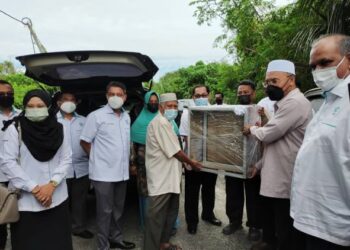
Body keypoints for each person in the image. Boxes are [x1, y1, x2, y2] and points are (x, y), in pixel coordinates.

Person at [243, 60, 312, 250]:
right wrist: (258, 166)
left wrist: (251, 129)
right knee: (273, 218)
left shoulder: (295, 103)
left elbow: (268, 134)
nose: (269, 86)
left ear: (291, 80)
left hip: (285, 176)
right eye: (267, 82)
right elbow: (277, 145)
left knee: (284, 225)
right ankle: (270, 243)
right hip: (275, 172)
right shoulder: (284, 103)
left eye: (274, 80)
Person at [291, 34, 350, 250]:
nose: (318, 71)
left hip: (336, 230)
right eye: (313, 66)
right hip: (310, 219)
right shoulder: (328, 99)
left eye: (325, 63)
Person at [0, 89, 73, 250]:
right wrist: (35, 189)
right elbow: (8, 163)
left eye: (40, 105)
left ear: (48, 106)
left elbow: (66, 158)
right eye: (30, 106)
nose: (35, 109)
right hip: (27, 203)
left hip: (57, 198)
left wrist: (52, 184)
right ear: (24, 107)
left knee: (57, 243)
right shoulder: (14, 129)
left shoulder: (60, 128)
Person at [143, 93, 202, 250]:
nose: (173, 109)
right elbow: (176, 151)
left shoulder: (168, 123)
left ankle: (163, 244)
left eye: (175, 106)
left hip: (171, 178)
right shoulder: (160, 122)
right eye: (169, 106)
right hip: (161, 179)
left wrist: (184, 165)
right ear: (161, 107)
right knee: (156, 218)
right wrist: (191, 163)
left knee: (170, 213)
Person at [80, 81, 135, 250]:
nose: (115, 97)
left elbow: (127, 142)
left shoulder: (126, 116)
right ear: (106, 96)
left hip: (122, 173)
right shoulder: (96, 116)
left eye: (119, 94)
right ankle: (102, 246)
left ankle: (116, 239)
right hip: (103, 174)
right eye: (112, 94)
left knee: (118, 210)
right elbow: (84, 142)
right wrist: (97, 159)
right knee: (104, 212)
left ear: (125, 97)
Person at [179, 85, 221, 235]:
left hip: (211, 158)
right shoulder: (186, 114)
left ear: (208, 95)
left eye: (204, 95)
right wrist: (190, 162)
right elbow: (185, 138)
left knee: (209, 189)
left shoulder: (216, 111)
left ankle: (208, 215)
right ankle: (192, 221)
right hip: (194, 160)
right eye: (198, 96)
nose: (201, 98)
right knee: (192, 192)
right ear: (193, 97)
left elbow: (219, 135)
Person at [222, 80, 261, 241]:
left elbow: (269, 133)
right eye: (240, 93)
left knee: (254, 196)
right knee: (233, 193)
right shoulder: (232, 111)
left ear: (254, 93)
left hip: (254, 160)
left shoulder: (261, 110)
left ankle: (254, 225)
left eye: (246, 92)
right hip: (233, 160)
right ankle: (235, 221)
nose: (243, 95)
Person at [56, 91, 93, 239]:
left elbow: (91, 141)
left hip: (82, 168)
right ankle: (61, 229)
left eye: (72, 99)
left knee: (80, 201)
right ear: (59, 102)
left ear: (77, 103)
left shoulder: (84, 121)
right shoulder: (52, 120)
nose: (69, 102)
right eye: (65, 99)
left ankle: (78, 227)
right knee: (61, 201)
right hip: (60, 169)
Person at [0, 80, 20, 250]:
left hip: (19, 177)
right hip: (0, 179)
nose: (5, 96)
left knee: (20, 217)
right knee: (1, 220)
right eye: (1, 94)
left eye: (9, 93)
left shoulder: (22, 116)